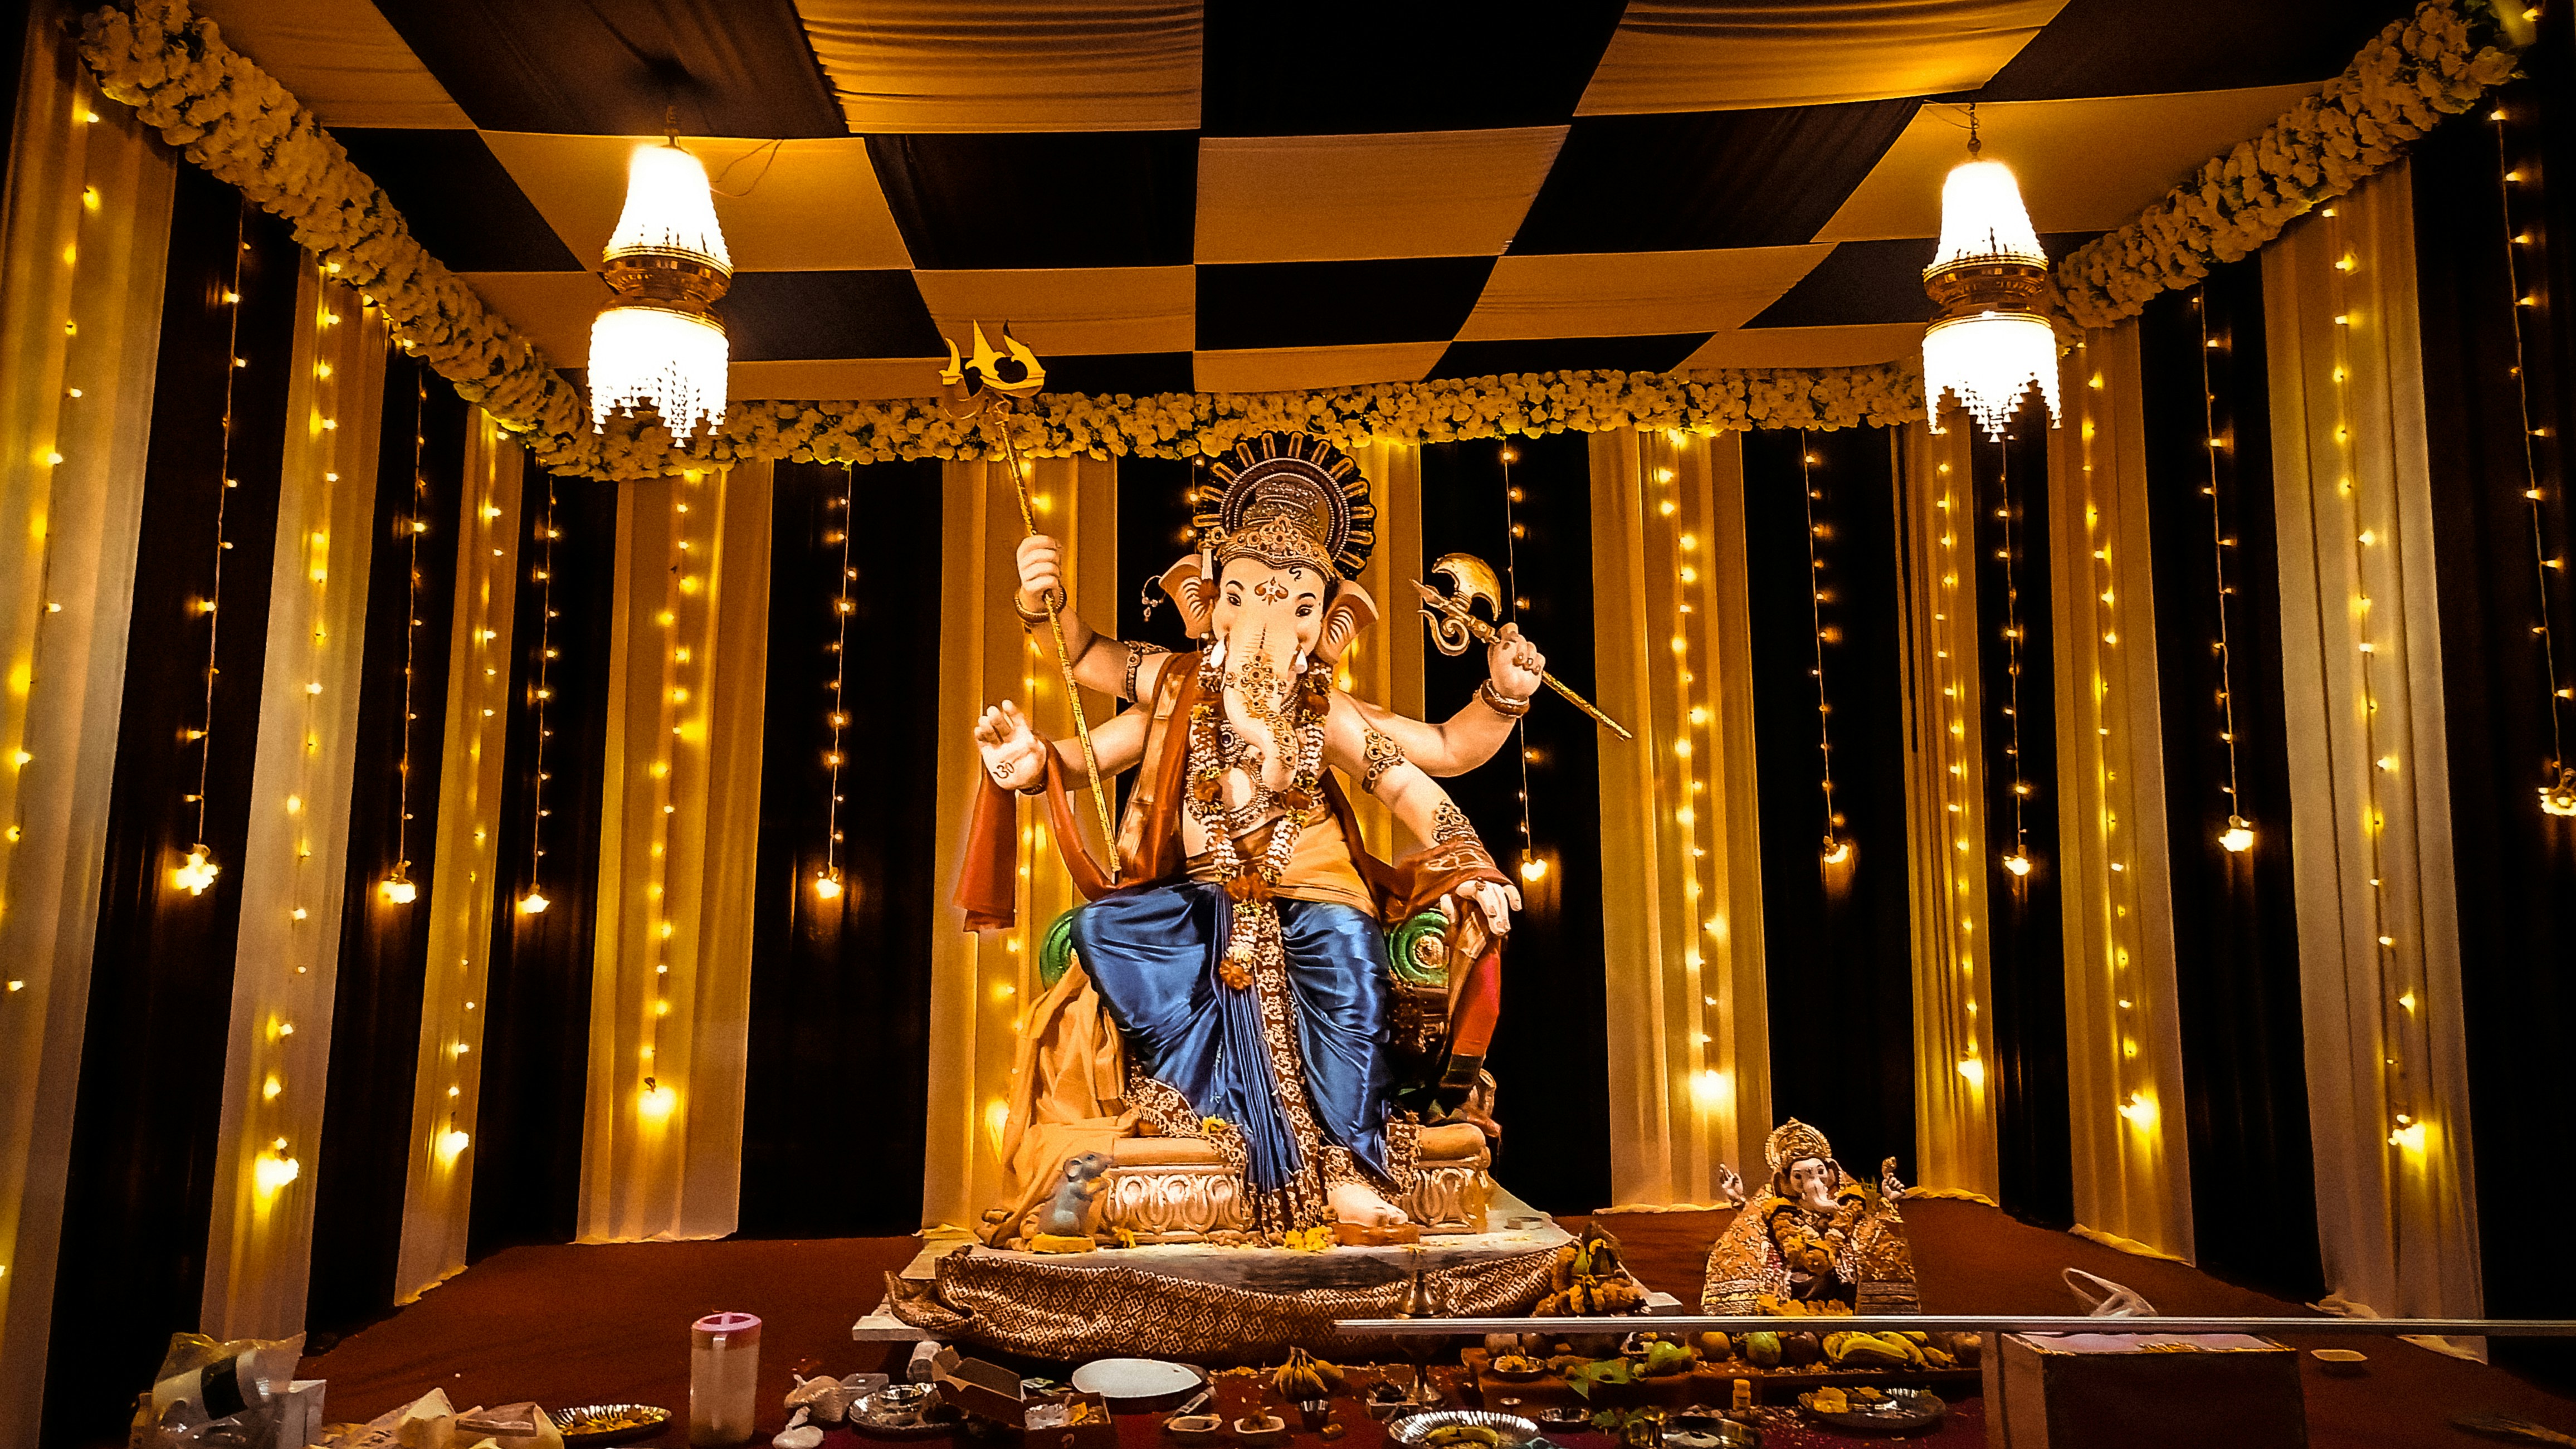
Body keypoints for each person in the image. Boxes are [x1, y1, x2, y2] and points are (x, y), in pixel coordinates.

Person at [957, 432, 1537, 1231]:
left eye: (1297, 607)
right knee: (1102, 929)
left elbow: (1434, 758)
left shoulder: (1325, 708)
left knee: (1347, 972)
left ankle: (1348, 1170)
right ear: (1209, 605)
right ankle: (1218, 1128)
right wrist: (1031, 734)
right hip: (1203, 898)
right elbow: (1085, 672)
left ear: (1327, 624)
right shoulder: (1177, 687)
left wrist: (1500, 711)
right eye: (1245, 596)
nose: (1268, 625)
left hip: (1320, 894)